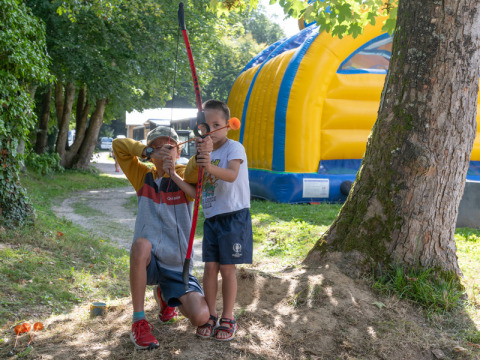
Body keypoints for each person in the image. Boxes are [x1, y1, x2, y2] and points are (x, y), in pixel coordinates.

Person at [112, 127, 212, 350]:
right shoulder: (142, 176)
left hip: (177, 267)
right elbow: (119, 146)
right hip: (150, 262)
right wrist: (147, 151)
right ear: (149, 153)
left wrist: (202, 150)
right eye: (158, 148)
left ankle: (166, 296)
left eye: (170, 147)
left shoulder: (184, 173)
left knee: (200, 316)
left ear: (178, 151)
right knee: (140, 245)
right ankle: (139, 322)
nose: (165, 152)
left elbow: (197, 170)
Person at [185, 99, 253, 341]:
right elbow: (197, 190)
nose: (211, 130)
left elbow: (232, 175)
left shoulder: (235, 148)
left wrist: (209, 165)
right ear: (199, 128)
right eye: (206, 125)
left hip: (234, 216)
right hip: (212, 217)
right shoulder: (204, 152)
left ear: (228, 125)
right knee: (210, 268)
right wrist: (180, 170)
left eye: (217, 124)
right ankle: (211, 314)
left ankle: (228, 317)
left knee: (227, 268)